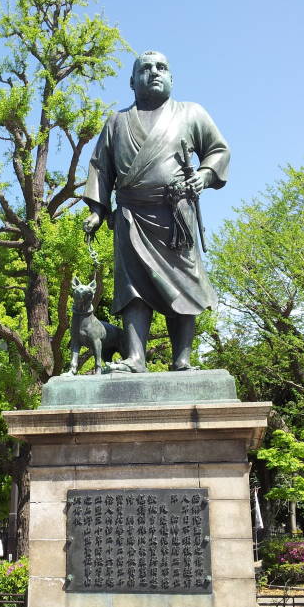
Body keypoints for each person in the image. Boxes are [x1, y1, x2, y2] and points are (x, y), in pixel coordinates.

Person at [82, 50, 230, 373]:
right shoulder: (116, 122)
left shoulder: (191, 114)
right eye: (145, 68)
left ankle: (183, 359)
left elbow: (219, 151)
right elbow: (101, 168)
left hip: (176, 214)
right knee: (133, 287)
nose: (154, 72)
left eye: (161, 67)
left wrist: (203, 176)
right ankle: (136, 358)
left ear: (172, 78)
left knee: (184, 284)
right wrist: (97, 210)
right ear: (132, 81)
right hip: (132, 216)